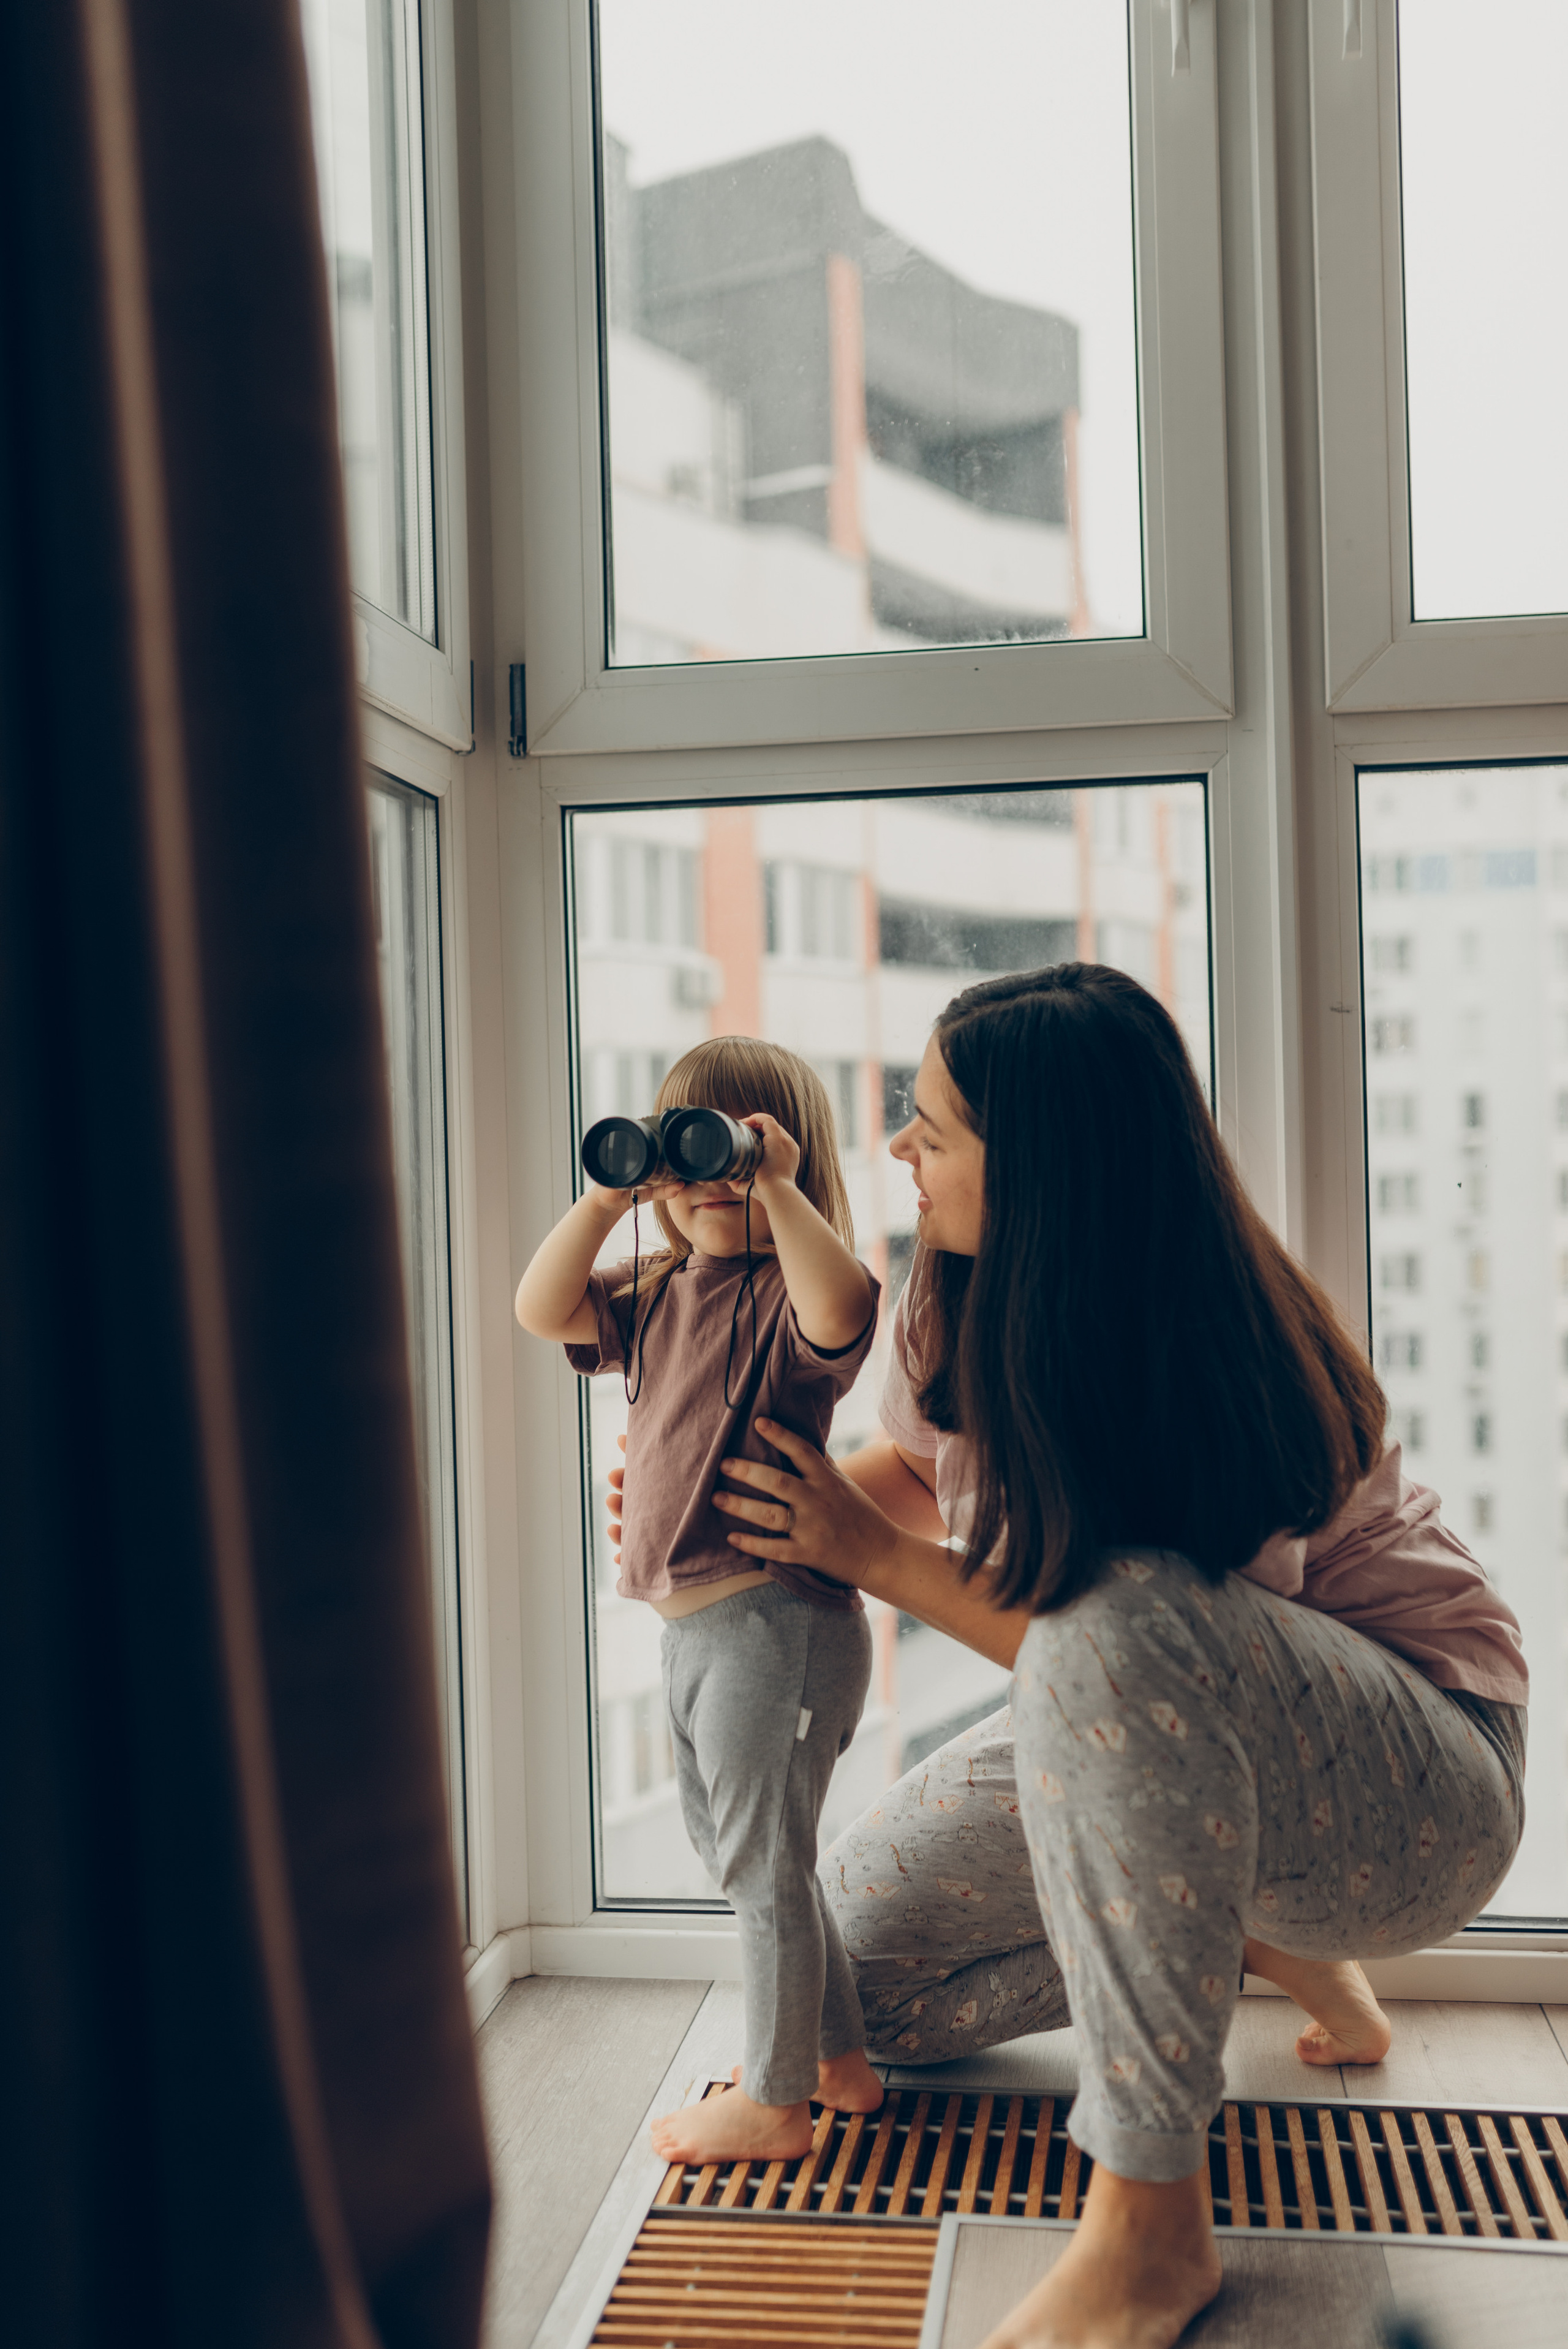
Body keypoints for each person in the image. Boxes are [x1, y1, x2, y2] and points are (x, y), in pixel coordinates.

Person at [648, 967, 1527, 2349]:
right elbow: (914, 1479)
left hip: (1412, 1787)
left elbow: (1129, 1643)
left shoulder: (1208, 1341)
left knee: (1115, 1622)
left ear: (1042, 1160)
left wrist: (871, 1563)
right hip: (1159, 1729)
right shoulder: (954, 1294)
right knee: (861, 1988)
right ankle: (1250, 1939)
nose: (896, 1152)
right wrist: (742, 1502)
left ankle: (1145, 2230)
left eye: (929, 1129)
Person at [514, 1037, 886, 2166]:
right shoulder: (660, 1288)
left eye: (738, 1147)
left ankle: (777, 2102)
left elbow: (842, 1306)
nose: (711, 1178)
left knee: (761, 1866)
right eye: (692, 1149)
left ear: (794, 1161)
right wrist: (608, 1194)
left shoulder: (794, 1291)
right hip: (695, 1633)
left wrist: (769, 1181)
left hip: (779, 1620)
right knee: (756, 1857)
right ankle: (839, 2062)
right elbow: (542, 1309)